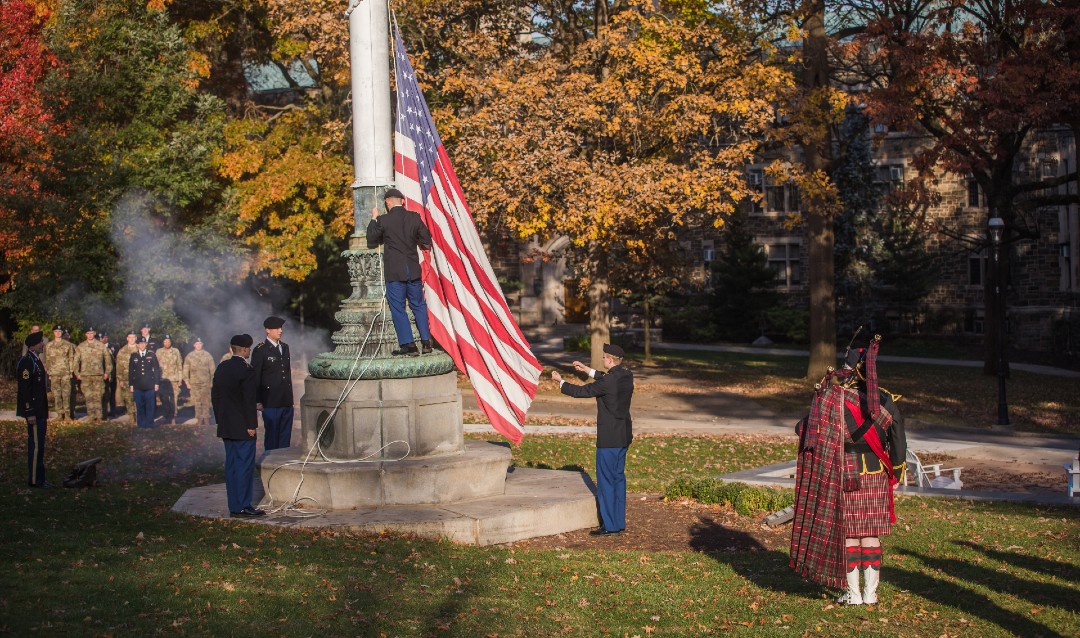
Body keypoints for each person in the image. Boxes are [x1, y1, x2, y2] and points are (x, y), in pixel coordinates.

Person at [790, 335, 907, 606]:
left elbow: (803, 429)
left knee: (850, 534)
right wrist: (898, 471)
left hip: (845, 472)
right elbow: (898, 438)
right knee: (871, 534)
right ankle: (871, 594)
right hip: (876, 472)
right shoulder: (886, 400)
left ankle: (853, 594)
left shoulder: (833, 399)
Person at [551, 343, 634, 536]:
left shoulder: (608, 382)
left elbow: (582, 392)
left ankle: (610, 526)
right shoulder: (626, 375)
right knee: (618, 479)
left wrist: (560, 381)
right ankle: (618, 522)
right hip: (623, 436)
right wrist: (587, 369)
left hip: (609, 439)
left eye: (604, 357)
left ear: (611, 360)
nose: (603, 359)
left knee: (605, 482)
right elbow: (606, 377)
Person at [366, 187, 434, 356]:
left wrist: (373, 219)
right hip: (412, 270)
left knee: (398, 308)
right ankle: (426, 342)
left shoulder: (383, 220)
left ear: (388, 203)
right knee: (418, 305)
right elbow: (426, 239)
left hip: (395, 272)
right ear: (403, 201)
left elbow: (371, 238)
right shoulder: (414, 217)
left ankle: (409, 345)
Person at [212, 334, 264, 518]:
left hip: (226, 425)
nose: (249, 351)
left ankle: (234, 505)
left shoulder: (223, 367)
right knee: (244, 466)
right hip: (243, 426)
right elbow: (248, 400)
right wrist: (251, 424)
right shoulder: (246, 370)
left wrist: (220, 419)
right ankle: (243, 505)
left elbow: (216, 396)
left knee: (232, 466)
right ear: (243, 350)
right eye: (248, 349)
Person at [250, 316, 293, 451]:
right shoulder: (261, 349)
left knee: (285, 438)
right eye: (277, 328)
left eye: (281, 328)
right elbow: (255, 376)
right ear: (267, 330)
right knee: (272, 438)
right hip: (270, 400)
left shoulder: (285, 347)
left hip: (286, 400)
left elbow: (286, 373)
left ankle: (284, 467)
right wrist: (257, 400)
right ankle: (271, 468)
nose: (280, 331)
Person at [18, 331, 50, 488]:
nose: (42, 345)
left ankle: (40, 478)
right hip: (34, 412)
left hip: (40, 411)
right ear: (32, 346)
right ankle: (35, 480)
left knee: (40, 446)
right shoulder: (27, 362)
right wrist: (29, 412)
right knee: (36, 447)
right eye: (40, 343)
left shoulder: (36, 361)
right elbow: (25, 390)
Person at [74, 327, 113, 421]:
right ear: (85, 335)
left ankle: (99, 416)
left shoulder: (101, 345)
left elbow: (108, 360)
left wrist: (107, 372)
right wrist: (77, 373)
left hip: (98, 375)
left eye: (91, 333)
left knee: (98, 396)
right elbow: (76, 361)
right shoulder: (81, 346)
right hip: (85, 375)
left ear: (94, 333)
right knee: (88, 396)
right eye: (88, 333)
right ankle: (91, 416)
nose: (90, 335)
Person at [44, 324, 76, 422]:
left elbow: (71, 358)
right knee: (57, 395)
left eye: (60, 331)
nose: (58, 333)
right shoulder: (49, 345)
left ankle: (67, 415)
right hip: (54, 373)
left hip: (65, 373)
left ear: (62, 333)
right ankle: (59, 414)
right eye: (56, 331)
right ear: (53, 333)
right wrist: (49, 372)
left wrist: (71, 371)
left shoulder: (68, 345)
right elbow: (47, 360)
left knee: (66, 394)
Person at [128, 336, 161, 429]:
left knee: (150, 406)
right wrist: (131, 384)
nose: (142, 345)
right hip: (138, 385)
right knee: (139, 406)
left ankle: (150, 424)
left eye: (143, 343)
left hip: (149, 385)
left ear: (146, 344)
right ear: (137, 345)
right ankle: (141, 425)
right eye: (140, 343)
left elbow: (156, 370)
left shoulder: (152, 355)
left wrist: (156, 383)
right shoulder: (133, 356)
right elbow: (131, 371)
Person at [183, 336, 216, 426]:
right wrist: (187, 382)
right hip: (194, 383)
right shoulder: (190, 356)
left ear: (202, 344)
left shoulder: (207, 355)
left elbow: (212, 369)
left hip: (205, 382)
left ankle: (206, 419)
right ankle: (199, 419)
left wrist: (212, 381)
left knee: (206, 401)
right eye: (197, 344)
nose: (198, 345)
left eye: (200, 344)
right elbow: (185, 369)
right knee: (197, 402)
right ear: (194, 345)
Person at [155, 334, 182, 425]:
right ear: (163, 342)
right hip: (162, 380)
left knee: (174, 399)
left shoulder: (176, 351)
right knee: (164, 399)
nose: (167, 343)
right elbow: (155, 366)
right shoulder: (158, 352)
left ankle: (173, 416)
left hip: (174, 379)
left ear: (171, 342)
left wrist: (180, 379)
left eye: (168, 341)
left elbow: (179, 365)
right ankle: (167, 416)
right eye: (165, 341)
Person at [114, 331, 139, 420]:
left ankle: (140, 416)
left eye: (133, 337)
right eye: (130, 337)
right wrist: (120, 379)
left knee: (139, 397)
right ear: (127, 338)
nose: (131, 339)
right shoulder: (122, 350)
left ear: (136, 338)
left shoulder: (141, 348)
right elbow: (119, 366)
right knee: (128, 398)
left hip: (139, 379)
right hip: (126, 378)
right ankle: (132, 416)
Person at [100, 332, 118, 417]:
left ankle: (113, 411)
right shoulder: (98, 347)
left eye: (104, 337)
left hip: (112, 373)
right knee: (103, 393)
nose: (102, 339)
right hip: (102, 374)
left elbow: (116, 360)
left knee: (112, 394)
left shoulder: (114, 347)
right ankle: (104, 412)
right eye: (101, 338)